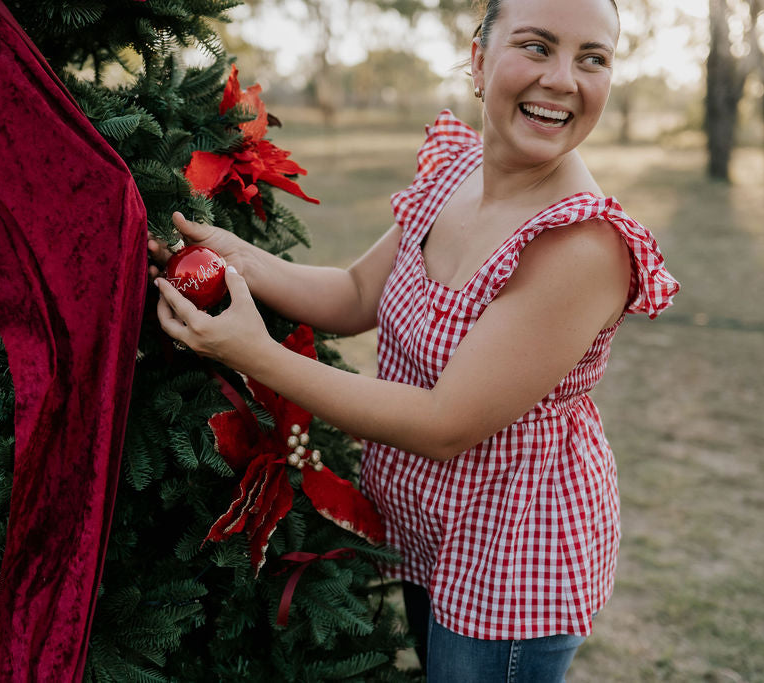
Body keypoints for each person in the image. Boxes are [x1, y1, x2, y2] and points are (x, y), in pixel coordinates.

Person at [150, 0, 679, 679]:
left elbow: (444, 424)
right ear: (480, 60)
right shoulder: (455, 173)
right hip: (429, 528)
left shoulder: (581, 245)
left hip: (510, 564)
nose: (563, 80)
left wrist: (254, 352)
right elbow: (355, 293)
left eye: (592, 58)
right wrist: (238, 258)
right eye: (538, 46)